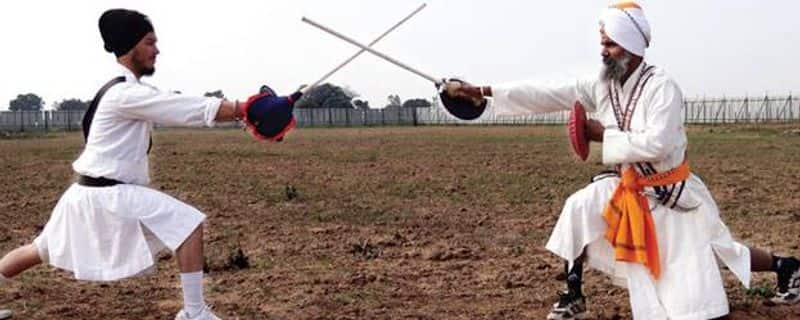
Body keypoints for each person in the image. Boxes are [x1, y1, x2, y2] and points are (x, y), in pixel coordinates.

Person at [444, 2, 800, 319]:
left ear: (632, 45)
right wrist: (483, 92)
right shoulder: (602, 82)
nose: (604, 51)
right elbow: (549, 90)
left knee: (702, 278)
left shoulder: (662, 87)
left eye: (610, 44)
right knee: (579, 208)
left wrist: (601, 135)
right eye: (602, 43)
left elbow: (656, 144)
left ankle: (785, 266)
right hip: (628, 186)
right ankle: (573, 294)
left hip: (672, 195)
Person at [0, 9, 297, 320]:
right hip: (106, 195)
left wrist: (244, 112)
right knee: (188, 225)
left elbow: (176, 106)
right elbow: (181, 107)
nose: (157, 49)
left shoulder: (118, 90)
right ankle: (194, 313)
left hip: (85, 196)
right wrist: (245, 108)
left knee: (39, 250)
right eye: (149, 41)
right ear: (131, 46)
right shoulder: (124, 94)